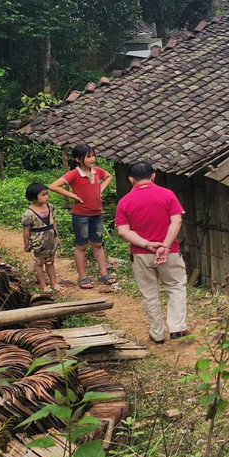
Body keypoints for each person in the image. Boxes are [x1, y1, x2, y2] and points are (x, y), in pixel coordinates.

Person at [113, 161, 188, 345]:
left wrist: (147, 245)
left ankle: (157, 334)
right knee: (176, 287)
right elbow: (176, 222)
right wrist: (165, 245)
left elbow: (123, 231)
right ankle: (177, 328)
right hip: (169, 252)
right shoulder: (168, 195)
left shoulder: (125, 202)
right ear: (153, 176)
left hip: (141, 254)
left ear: (131, 179)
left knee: (150, 294)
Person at [48, 144, 115, 290]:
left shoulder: (97, 171)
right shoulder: (74, 174)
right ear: (78, 159)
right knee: (82, 245)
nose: (92, 159)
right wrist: (72, 195)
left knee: (98, 244)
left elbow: (109, 176)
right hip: (81, 215)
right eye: (89, 156)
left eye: (93, 156)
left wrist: (100, 190)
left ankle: (103, 273)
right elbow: (53, 186)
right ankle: (82, 276)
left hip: (97, 213)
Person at [21, 182, 60, 293]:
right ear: (34, 197)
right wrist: (26, 244)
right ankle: (43, 285)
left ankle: (54, 283)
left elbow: (54, 222)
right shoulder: (29, 213)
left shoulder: (50, 207)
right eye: (43, 195)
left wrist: (57, 236)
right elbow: (26, 230)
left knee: (50, 262)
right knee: (39, 262)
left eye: (47, 194)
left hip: (51, 240)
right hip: (39, 242)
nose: (47, 196)